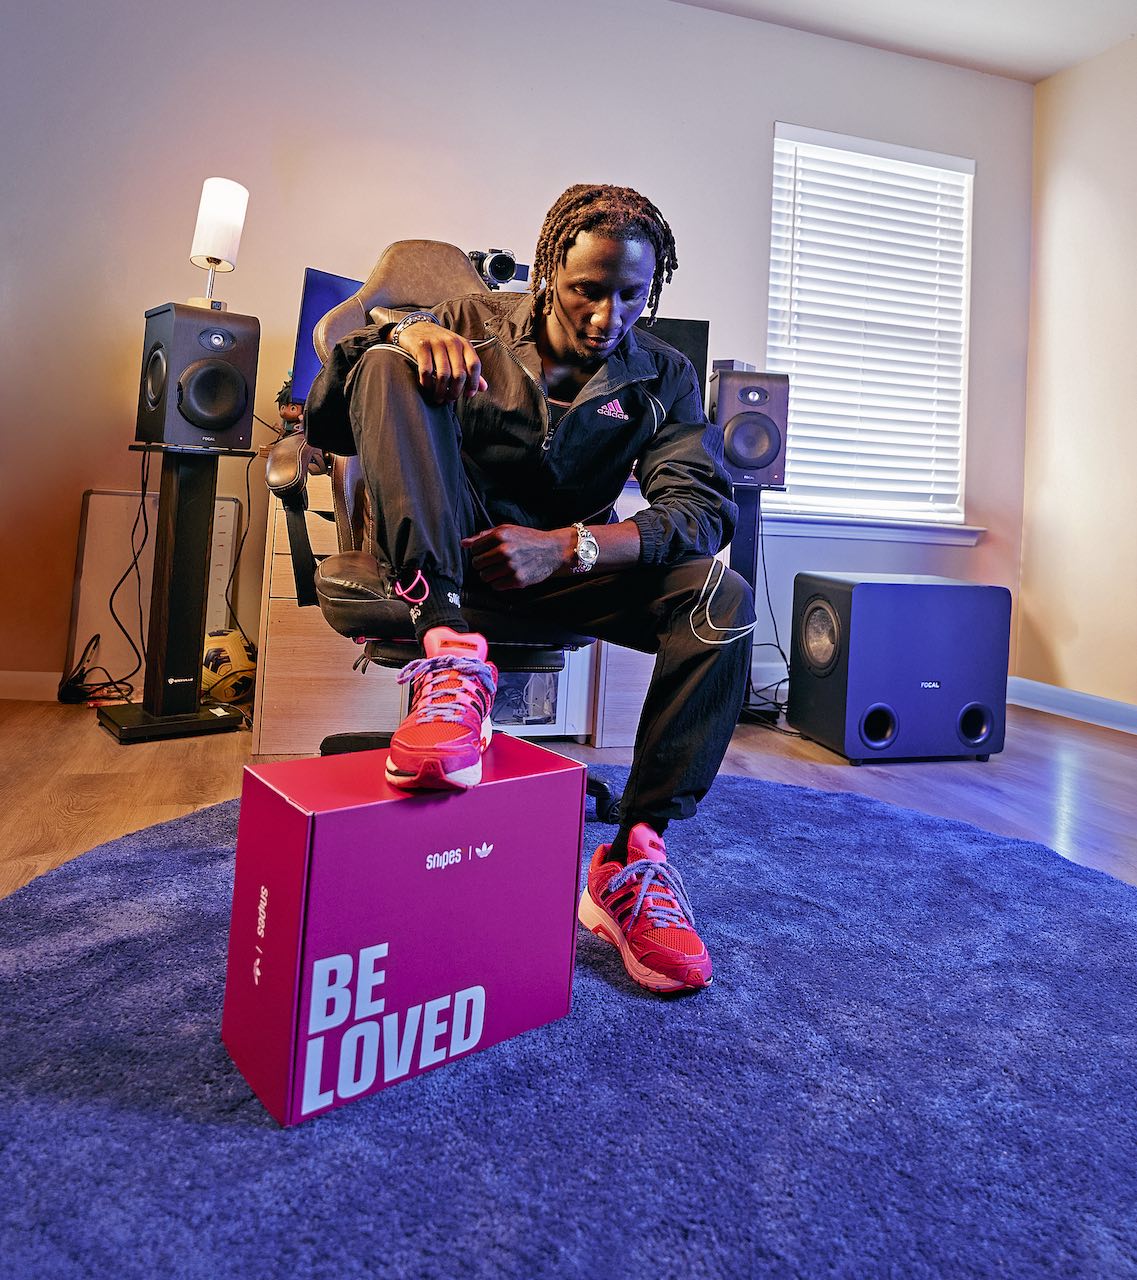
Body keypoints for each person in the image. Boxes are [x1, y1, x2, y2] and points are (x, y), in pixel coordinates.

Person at [305, 184, 755, 994]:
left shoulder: (662, 374)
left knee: (720, 598)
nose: (608, 316)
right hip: (440, 558)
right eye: (587, 289)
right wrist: (403, 332)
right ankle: (449, 652)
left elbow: (699, 510)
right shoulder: (467, 320)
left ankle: (633, 855)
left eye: (632, 294)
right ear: (549, 273)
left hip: (555, 568)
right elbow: (330, 424)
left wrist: (570, 548)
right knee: (384, 361)